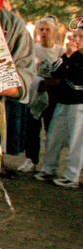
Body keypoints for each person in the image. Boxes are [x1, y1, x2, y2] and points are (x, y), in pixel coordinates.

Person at [35, 24, 83, 189]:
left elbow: (76, 81)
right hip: (63, 102)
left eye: (80, 37)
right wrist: (67, 57)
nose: (76, 40)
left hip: (79, 105)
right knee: (54, 136)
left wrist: (66, 74)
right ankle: (49, 168)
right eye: (75, 36)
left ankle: (71, 176)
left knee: (76, 141)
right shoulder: (71, 56)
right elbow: (54, 71)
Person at [18, 16, 62, 173]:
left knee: (52, 130)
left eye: (48, 30)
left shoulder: (60, 51)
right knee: (32, 129)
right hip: (35, 95)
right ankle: (31, 159)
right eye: (41, 29)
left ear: (54, 32)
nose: (44, 33)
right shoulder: (33, 50)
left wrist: (51, 82)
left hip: (54, 97)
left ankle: (50, 163)